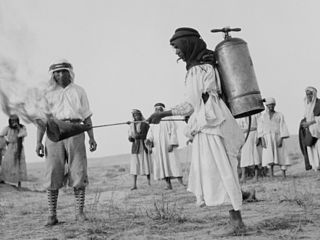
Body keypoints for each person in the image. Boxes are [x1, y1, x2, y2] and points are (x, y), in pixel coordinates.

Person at [147, 27, 246, 234]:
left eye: (177, 47)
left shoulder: (198, 69)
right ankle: (236, 216)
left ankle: (238, 223)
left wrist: (162, 114)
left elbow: (191, 103)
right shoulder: (206, 65)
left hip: (212, 123)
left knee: (222, 170)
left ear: (187, 44)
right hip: (214, 119)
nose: (176, 53)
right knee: (222, 169)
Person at [35, 59, 97, 226]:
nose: (60, 75)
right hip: (53, 133)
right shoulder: (47, 93)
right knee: (53, 172)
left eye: (63, 71)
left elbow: (87, 116)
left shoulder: (79, 91)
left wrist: (91, 137)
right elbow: (42, 120)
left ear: (70, 73)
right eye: (57, 72)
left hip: (76, 131)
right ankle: (52, 215)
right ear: (52, 74)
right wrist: (38, 142)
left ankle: (79, 213)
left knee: (78, 171)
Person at [146, 103, 184, 190]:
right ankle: (168, 185)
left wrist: (172, 143)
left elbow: (173, 132)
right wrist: (148, 140)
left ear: (163, 109)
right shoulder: (153, 121)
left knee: (174, 163)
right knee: (163, 166)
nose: (158, 110)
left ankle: (181, 183)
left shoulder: (168, 119)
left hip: (168, 146)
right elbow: (150, 134)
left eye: (159, 109)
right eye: (156, 109)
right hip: (158, 147)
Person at [257, 97, 290, 178]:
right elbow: (260, 128)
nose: (270, 107)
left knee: (281, 155)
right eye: (269, 105)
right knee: (269, 156)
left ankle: (283, 175)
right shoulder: (262, 116)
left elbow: (283, 126)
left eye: (272, 105)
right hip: (267, 138)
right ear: (266, 106)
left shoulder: (279, 115)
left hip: (277, 137)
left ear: (275, 105)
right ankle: (271, 175)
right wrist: (262, 139)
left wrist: (281, 139)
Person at [0, 115, 27, 188]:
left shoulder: (22, 127)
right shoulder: (7, 128)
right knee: (7, 163)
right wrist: (5, 142)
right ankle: (4, 180)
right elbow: (1, 135)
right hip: (10, 147)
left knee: (18, 163)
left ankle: (19, 183)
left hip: (19, 147)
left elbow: (22, 135)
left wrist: (18, 128)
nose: (13, 122)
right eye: (12, 120)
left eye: (15, 120)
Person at [128, 109, 152, 190]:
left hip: (143, 146)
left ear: (140, 115)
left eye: (137, 115)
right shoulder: (132, 125)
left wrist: (137, 136)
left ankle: (149, 183)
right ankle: (134, 185)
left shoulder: (145, 124)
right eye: (134, 115)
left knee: (146, 164)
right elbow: (130, 136)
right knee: (135, 166)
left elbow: (147, 135)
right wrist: (131, 138)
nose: (136, 117)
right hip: (135, 147)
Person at [237, 113, 262, 182]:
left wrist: (259, 136)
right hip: (245, 136)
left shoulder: (255, 113)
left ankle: (256, 176)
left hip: (254, 135)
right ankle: (243, 176)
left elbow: (260, 124)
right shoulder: (241, 115)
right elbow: (238, 126)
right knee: (244, 156)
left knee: (255, 155)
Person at [300, 87, 320, 171]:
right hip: (309, 130)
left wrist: (309, 123)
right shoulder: (307, 104)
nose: (308, 96)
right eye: (307, 94)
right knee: (312, 150)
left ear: (314, 94)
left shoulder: (318, 103)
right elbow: (306, 115)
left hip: (318, 130)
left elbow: (318, 118)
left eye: (310, 94)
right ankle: (317, 169)